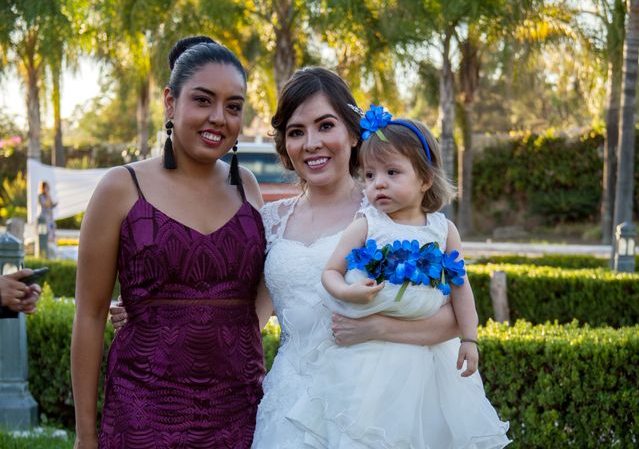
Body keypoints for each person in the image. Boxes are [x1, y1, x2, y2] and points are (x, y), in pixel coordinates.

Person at [110, 67, 464, 447]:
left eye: (325, 126)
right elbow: (249, 311)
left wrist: (378, 329)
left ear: (351, 131)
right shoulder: (271, 221)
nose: (311, 143)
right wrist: (161, 312)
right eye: (297, 132)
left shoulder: (390, 214)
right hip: (291, 406)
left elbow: (453, 317)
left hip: (373, 403)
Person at [71, 37, 269, 449]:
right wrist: (85, 436)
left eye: (233, 106)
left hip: (242, 412)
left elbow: (263, 291)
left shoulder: (247, 188)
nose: (219, 118)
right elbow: (89, 317)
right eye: (203, 100)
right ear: (170, 102)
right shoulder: (122, 187)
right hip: (143, 413)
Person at [285, 107, 511, 448]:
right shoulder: (366, 224)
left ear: (424, 179)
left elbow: (460, 289)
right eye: (371, 174)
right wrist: (348, 291)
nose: (379, 184)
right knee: (369, 432)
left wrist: (470, 338)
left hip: (430, 356)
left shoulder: (442, 229)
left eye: (392, 172)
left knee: (428, 431)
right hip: (371, 358)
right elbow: (330, 271)